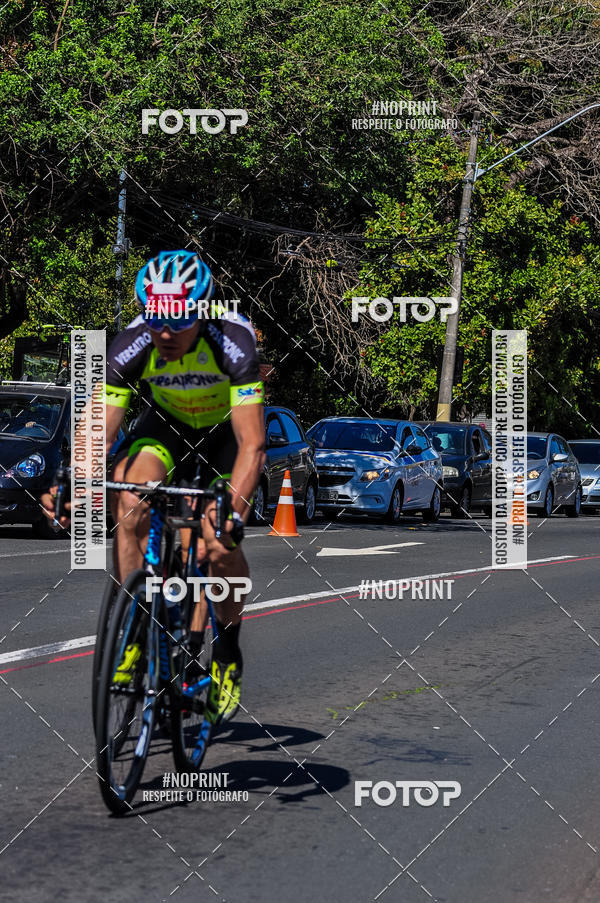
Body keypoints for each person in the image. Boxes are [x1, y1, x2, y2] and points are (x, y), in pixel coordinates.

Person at [42, 250, 266, 726]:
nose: (165, 333)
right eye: (157, 319)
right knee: (129, 496)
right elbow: (97, 428)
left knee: (217, 543)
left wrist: (232, 514)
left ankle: (226, 648)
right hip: (167, 428)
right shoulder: (135, 340)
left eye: (178, 322)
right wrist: (72, 483)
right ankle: (135, 624)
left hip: (224, 439)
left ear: (203, 311)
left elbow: (253, 445)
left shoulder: (235, 343)